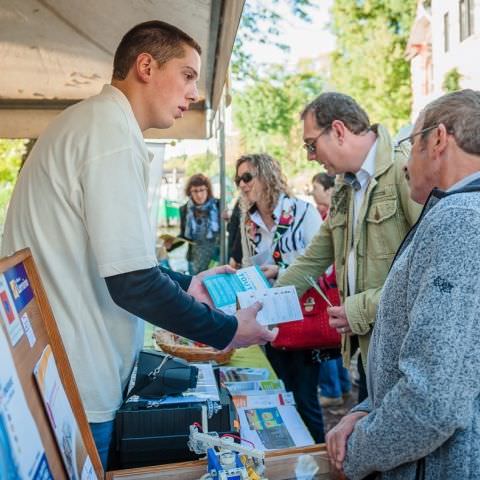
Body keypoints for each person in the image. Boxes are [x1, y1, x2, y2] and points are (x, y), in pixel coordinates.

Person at [0, 21, 276, 468]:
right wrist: (226, 330)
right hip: (75, 381)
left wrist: (188, 285)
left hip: (65, 371)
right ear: (146, 66)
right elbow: (132, 282)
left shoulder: (98, 124)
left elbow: (115, 258)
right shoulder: (109, 133)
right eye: (187, 75)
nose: (192, 93)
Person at [327, 89, 480, 479]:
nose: (406, 162)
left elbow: (433, 401)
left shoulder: (460, 221)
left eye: (410, 144)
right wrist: (365, 411)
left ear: (439, 140)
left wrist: (357, 455)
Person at [275, 92, 421, 404]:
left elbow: (430, 276)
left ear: (339, 130)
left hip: (405, 351)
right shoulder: (344, 185)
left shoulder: (403, 170)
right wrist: (262, 307)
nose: (310, 156)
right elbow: (313, 259)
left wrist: (359, 309)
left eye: (311, 144)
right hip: (370, 350)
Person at [235, 153, 325, 442]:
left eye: (247, 177)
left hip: (303, 317)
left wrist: (281, 270)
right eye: (238, 179)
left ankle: (319, 463)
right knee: (280, 396)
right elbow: (249, 265)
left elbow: (325, 264)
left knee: (305, 399)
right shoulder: (247, 222)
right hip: (270, 322)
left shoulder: (303, 211)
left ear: (266, 175)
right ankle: (291, 460)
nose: (242, 184)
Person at [311, 173, 352, 408]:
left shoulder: (329, 216)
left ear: (328, 190)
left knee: (326, 336)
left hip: (332, 286)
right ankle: (342, 387)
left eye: (316, 188)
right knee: (336, 340)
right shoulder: (326, 215)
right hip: (334, 285)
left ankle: (332, 390)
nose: (312, 192)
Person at [168, 173, 220, 275]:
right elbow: (184, 236)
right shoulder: (184, 209)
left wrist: (227, 219)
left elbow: (230, 230)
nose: (199, 195)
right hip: (194, 260)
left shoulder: (219, 205)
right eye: (195, 191)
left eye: (202, 190)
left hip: (216, 258)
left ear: (208, 190)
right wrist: (171, 244)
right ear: (189, 192)